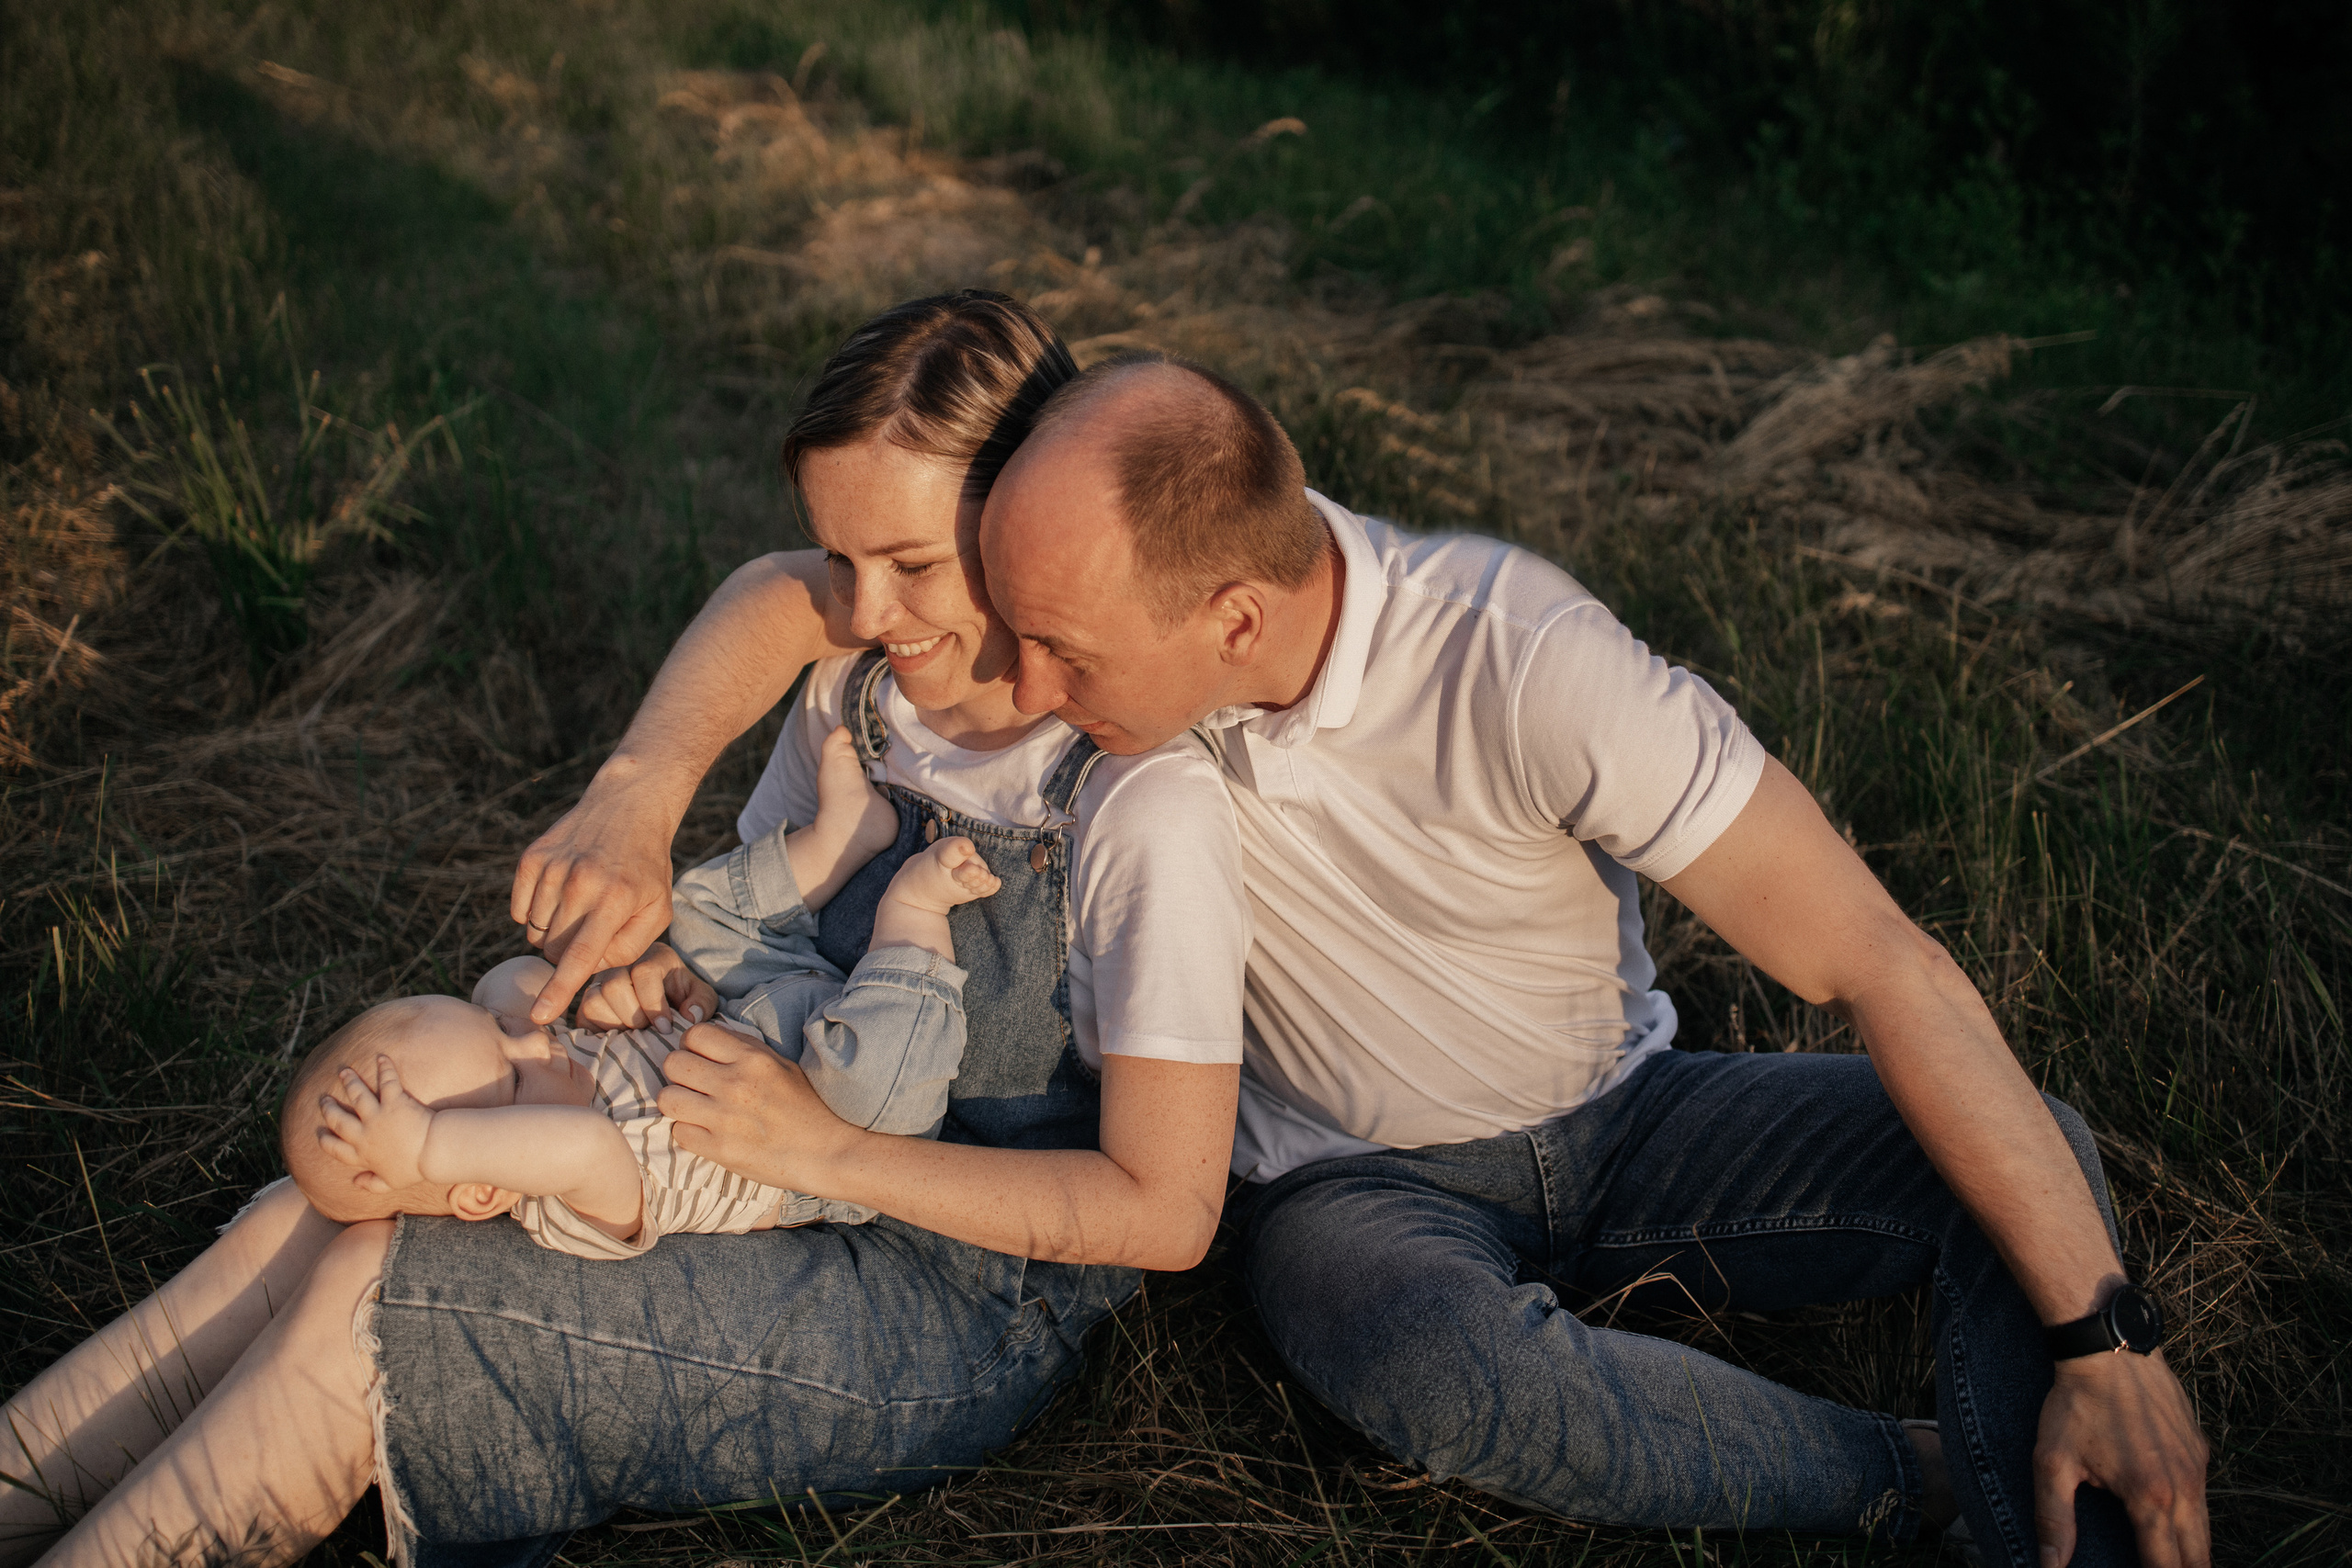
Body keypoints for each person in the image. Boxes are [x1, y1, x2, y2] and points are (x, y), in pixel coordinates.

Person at [513, 350, 2212, 1568]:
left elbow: (1882, 959)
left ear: (1233, 625)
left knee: (2026, 1155)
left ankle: (2064, 1476)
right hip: (1349, 1191)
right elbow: (810, 592)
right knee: (1429, 1356)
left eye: (1062, 650)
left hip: (1634, 1116)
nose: (1012, 677)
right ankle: (1905, 1472)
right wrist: (642, 788)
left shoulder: (1525, 660)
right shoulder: (1124, 564)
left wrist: (2111, 1338)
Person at [0, 291, 1248, 1568]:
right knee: (328, 1215)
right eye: (839, 559)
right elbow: (754, 932)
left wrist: (828, 1150)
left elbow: (1165, 1211)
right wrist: (662, 985)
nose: (865, 606)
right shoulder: (857, 695)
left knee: (387, 1299)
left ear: (1030, 523)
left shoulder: (1138, 806)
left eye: (913, 563)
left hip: (951, 1288)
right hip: (733, 1165)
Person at [285, 744, 1006, 1258]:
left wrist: (540, 1004)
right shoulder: (569, 1200)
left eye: (499, 1031)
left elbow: (510, 983)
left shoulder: (549, 1070)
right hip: (829, 1133)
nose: (536, 1039)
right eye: (510, 1072)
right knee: (875, 1086)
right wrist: (424, 1146)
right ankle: (912, 919)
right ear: (478, 1185)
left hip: (749, 1009)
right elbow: (585, 1144)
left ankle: (845, 838)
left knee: (692, 917)